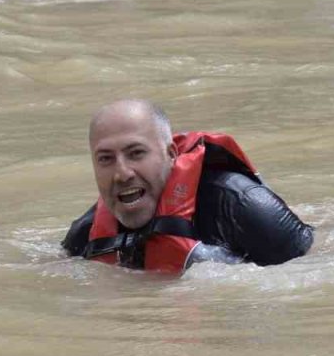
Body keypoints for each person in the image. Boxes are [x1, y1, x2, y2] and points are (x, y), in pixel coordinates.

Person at [62, 99, 313, 274]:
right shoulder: (84, 236)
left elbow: (315, 265)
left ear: (171, 154)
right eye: (106, 159)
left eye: (136, 153)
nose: (122, 174)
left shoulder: (245, 206)